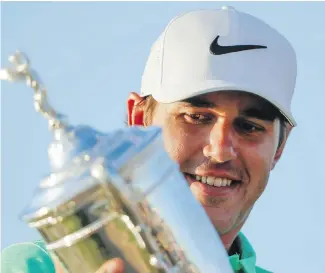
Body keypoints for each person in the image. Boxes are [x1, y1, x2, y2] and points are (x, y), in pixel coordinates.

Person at [2, 5, 297, 273]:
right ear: (138, 120)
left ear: (279, 147)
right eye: (197, 117)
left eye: (250, 126)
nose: (220, 151)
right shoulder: (35, 266)